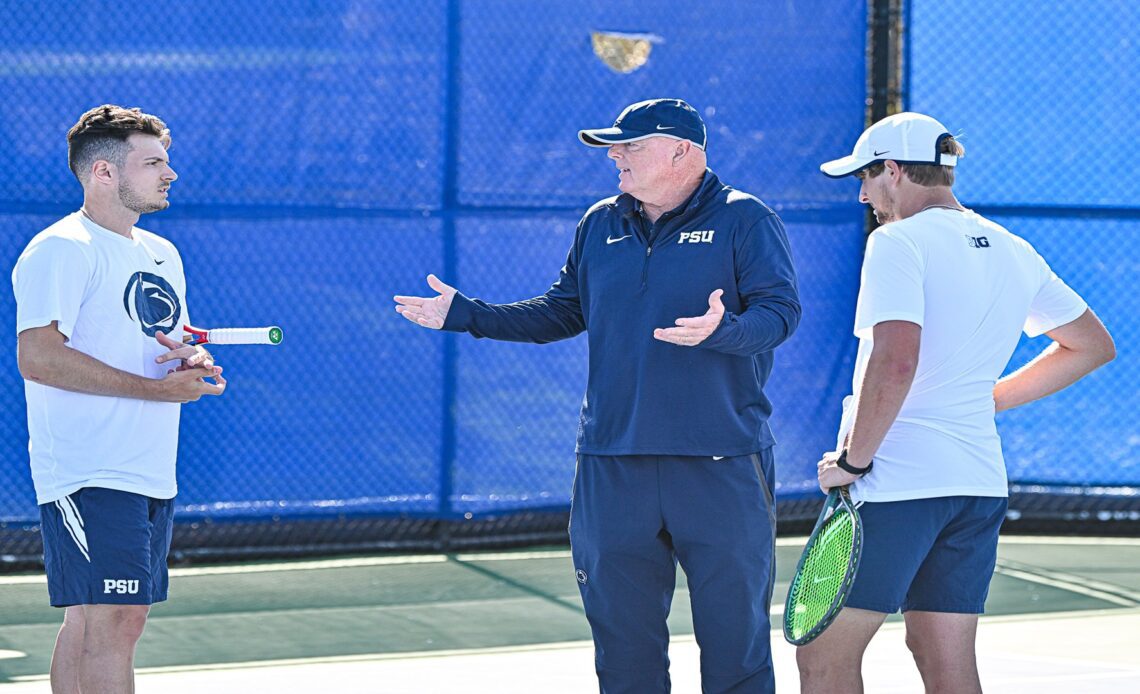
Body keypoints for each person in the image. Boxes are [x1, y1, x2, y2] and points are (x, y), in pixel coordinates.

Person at [395, 98, 800, 692]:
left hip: (721, 462)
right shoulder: (599, 223)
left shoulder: (747, 219)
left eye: (630, 146)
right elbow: (562, 311)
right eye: (615, 147)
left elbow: (780, 313)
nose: (615, 156)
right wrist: (468, 315)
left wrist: (726, 330)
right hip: (612, 464)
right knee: (623, 648)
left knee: (734, 647)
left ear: (680, 151)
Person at [798, 112, 1116, 693]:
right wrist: (984, 401)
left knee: (824, 653)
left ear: (893, 171)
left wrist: (854, 462)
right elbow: (1091, 346)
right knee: (943, 655)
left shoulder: (894, 242)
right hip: (977, 484)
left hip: (898, 483)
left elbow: (896, 360)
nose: (863, 193)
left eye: (865, 177)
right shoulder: (1014, 248)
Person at [12, 104, 227, 693]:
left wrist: (191, 361)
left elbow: (160, 344)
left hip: (150, 467)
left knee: (110, 620)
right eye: (153, 161)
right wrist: (156, 391)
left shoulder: (162, 254)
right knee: (110, 620)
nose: (170, 173)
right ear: (103, 173)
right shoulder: (60, 248)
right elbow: (39, 356)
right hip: (87, 468)